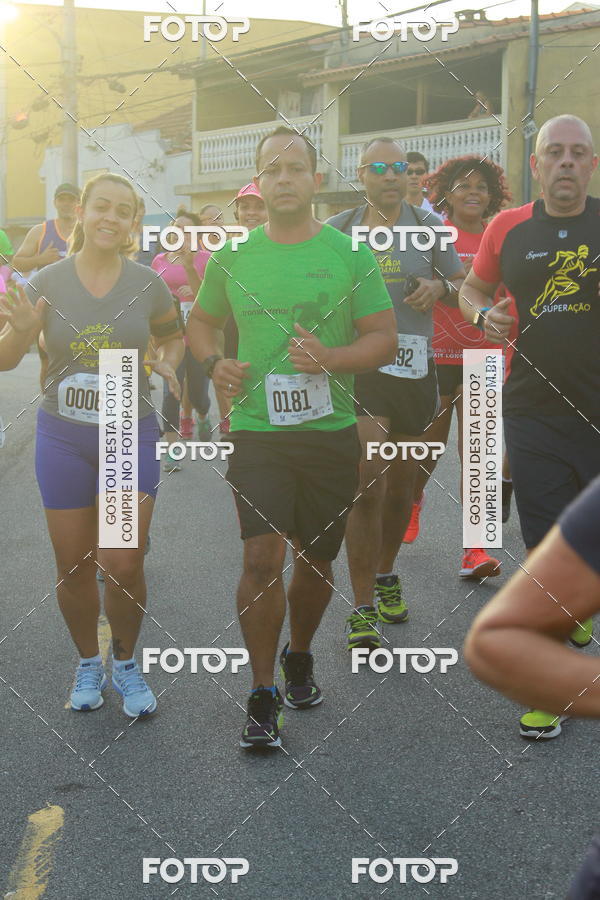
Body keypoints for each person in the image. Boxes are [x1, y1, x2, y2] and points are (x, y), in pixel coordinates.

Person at [187, 125, 396, 749]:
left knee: (316, 559)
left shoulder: (349, 255)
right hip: (258, 433)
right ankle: (261, 692)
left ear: (315, 179)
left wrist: (332, 356)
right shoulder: (232, 257)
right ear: (257, 181)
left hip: (329, 431)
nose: (284, 179)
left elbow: (383, 339)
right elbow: (201, 322)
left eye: (295, 168)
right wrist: (212, 362)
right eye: (271, 170)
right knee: (261, 558)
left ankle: (299, 653)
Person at [2, 172, 184, 717]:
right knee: (74, 565)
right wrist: (16, 330)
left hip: (128, 433)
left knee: (123, 562)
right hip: (62, 437)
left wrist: (168, 364)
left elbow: (172, 337)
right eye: (100, 206)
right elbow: (6, 358)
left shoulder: (147, 283)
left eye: (122, 210)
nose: (110, 217)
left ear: (133, 222)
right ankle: (87, 661)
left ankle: (125, 664)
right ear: (81, 212)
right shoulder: (47, 282)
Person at [459, 113, 599, 739]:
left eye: (578, 154)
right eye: (555, 154)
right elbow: (469, 288)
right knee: (547, 545)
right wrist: (483, 312)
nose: (566, 163)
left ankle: (576, 611)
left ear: (591, 165)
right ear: (537, 166)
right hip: (531, 406)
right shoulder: (507, 227)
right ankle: (556, 687)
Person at [327, 137, 464, 651]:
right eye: (378, 167)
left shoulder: (428, 227)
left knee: (402, 487)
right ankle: (362, 607)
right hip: (362, 369)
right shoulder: (338, 231)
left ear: (410, 176)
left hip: (414, 368)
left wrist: (441, 289)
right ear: (361, 175)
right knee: (369, 481)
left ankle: (384, 574)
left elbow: (461, 279)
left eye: (399, 168)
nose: (390, 175)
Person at [464, 474, 600, 889]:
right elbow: (496, 640)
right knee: (541, 539)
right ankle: (566, 614)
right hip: (539, 418)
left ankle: (576, 607)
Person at [406, 155, 511, 578]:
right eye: (464, 185)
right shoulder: (435, 234)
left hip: (483, 358)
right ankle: (412, 501)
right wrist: (458, 282)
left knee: (480, 457)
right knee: (429, 451)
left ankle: (476, 551)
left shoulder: (500, 238)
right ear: (446, 193)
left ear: (492, 197)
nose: (473, 192)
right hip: (436, 358)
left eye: (482, 187)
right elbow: (422, 290)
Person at [152, 207, 212, 465]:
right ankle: (173, 449)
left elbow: (209, 300)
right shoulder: (160, 261)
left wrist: (191, 274)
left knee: (198, 393)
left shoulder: (206, 259)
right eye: (177, 229)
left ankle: (202, 414)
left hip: (197, 336)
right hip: (170, 336)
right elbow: (154, 296)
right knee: (171, 391)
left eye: (187, 230)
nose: (181, 234)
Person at [220, 183, 269, 433]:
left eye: (259, 206)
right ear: (236, 212)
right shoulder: (227, 254)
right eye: (245, 206)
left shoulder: (285, 250)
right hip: (237, 346)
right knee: (245, 422)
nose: (251, 213)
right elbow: (207, 315)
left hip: (278, 348)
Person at [12, 183, 80, 279]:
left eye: (71, 199)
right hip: (49, 293)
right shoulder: (40, 231)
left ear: (79, 203)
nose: (66, 204)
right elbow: (16, 263)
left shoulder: (88, 232)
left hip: (78, 293)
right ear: (55, 203)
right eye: (61, 199)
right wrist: (40, 260)